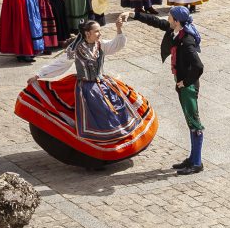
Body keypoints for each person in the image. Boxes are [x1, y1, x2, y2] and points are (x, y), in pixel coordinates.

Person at [15, 17, 158, 169]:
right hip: (85, 88)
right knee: (92, 119)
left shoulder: (101, 45)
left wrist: (119, 29)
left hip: (103, 84)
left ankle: (116, 149)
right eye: (97, 31)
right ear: (87, 33)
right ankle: (93, 155)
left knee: (116, 114)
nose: (99, 34)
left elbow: (116, 45)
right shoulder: (75, 49)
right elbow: (60, 64)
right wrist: (39, 75)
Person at [127, 6, 206, 175]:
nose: (167, 19)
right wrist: (134, 15)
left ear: (177, 21)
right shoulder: (175, 31)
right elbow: (157, 22)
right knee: (190, 122)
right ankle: (192, 158)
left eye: (170, 17)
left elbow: (198, 66)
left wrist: (185, 82)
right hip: (182, 84)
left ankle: (197, 163)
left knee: (194, 123)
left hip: (188, 87)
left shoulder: (187, 41)